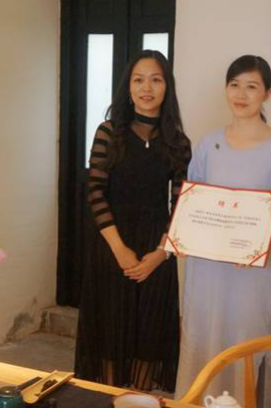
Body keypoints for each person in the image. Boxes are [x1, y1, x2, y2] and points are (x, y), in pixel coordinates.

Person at [175, 55, 271, 408]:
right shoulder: (208, 145)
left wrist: (251, 239)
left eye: (251, 86)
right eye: (234, 85)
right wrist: (186, 231)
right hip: (208, 270)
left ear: (267, 93)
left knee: (246, 345)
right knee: (203, 339)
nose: (241, 94)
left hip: (251, 274)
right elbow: (192, 202)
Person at [74, 50, 191, 392]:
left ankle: (138, 398)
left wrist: (161, 254)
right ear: (128, 87)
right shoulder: (109, 132)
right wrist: (120, 249)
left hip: (157, 249)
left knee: (149, 336)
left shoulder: (178, 142)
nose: (146, 88)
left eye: (156, 80)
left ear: (167, 87)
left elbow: (182, 204)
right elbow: (95, 193)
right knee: (112, 334)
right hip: (112, 246)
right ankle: (112, 397)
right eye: (139, 80)